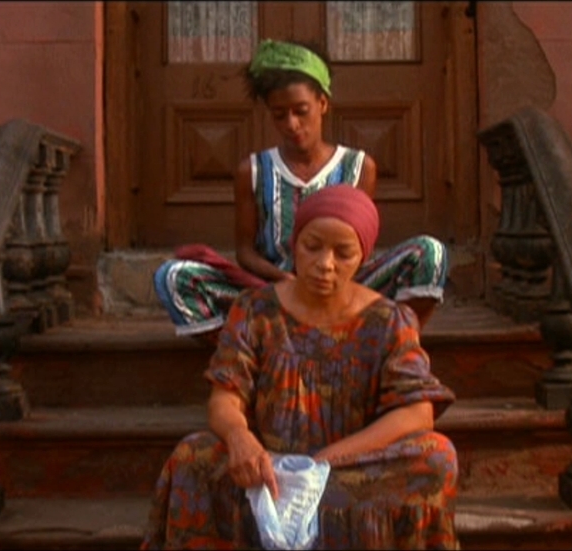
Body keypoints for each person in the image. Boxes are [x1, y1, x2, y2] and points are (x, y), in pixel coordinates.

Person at [140, 185, 459, 550]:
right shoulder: (255, 310)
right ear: (295, 245)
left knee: (437, 456)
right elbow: (225, 397)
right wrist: (240, 439)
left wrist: (324, 463)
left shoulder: (389, 320)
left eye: (343, 253)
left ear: (362, 257)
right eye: (313, 246)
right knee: (191, 456)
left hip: (346, 468)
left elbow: (417, 413)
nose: (325, 264)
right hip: (270, 468)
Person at [153, 39, 448, 345]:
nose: (292, 123)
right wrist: (287, 281)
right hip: (275, 295)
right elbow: (245, 252)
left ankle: (385, 349)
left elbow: (358, 247)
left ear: (323, 103)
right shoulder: (252, 171)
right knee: (173, 276)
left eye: (301, 111)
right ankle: (254, 358)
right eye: (279, 114)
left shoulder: (359, 167)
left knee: (429, 254)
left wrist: (328, 280)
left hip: (342, 289)